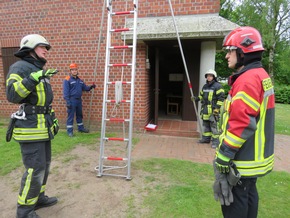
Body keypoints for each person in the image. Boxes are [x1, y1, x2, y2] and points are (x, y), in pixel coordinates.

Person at [213, 26, 275, 218]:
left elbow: (242, 122)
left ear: (243, 50)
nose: (226, 56)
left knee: (234, 203)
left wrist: (225, 153)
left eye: (230, 51)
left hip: (242, 159)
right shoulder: (260, 75)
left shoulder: (247, 80)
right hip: (253, 158)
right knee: (249, 197)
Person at [6, 34, 59, 218]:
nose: (46, 50)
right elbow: (12, 94)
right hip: (30, 129)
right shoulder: (19, 67)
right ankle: (25, 209)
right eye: (42, 46)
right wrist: (33, 78)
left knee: (44, 166)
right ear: (30, 48)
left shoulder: (39, 68)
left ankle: (38, 198)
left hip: (42, 127)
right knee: (34, 169)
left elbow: (41, 102)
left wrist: (52, 117)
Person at [63, 63, 96, 137]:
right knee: (71, 116)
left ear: (77, 70)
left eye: (75, 69)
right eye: (73, 70)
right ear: (70, 71)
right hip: (71, 100)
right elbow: (65, 92)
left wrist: (91, 87)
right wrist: (68, 102)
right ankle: (70, 132)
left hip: (79, 100)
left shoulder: (80, 80)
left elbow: (85, 88)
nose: (74, 71)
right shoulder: (67, 79)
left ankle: (80, 128)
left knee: (79, 115)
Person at [195, 69, 225, 148]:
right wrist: (196, 98)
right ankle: (206, 139)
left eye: (210, 76)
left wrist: (217, 108)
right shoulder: (205, 86)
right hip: (205, 109)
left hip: (213, 109)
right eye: (207, 76)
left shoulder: (218, 86)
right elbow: (201, 96)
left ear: (214, 77)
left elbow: (221, 98)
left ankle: (216, 142)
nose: (209, 77)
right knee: (206, 125)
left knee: (214, 126)